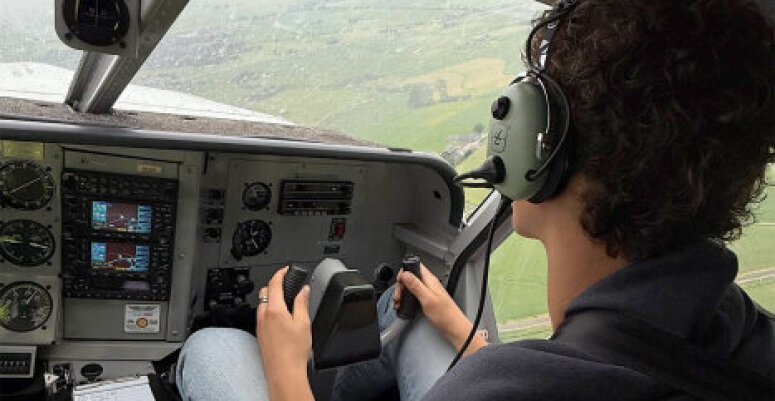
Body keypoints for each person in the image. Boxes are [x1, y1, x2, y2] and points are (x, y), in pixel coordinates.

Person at [175, 0, 775, 400]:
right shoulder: (743, 334)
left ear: (536, 141)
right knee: (403, 315)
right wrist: (468, 337)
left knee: (214, 345)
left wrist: (285, 372)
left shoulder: (506, 386)